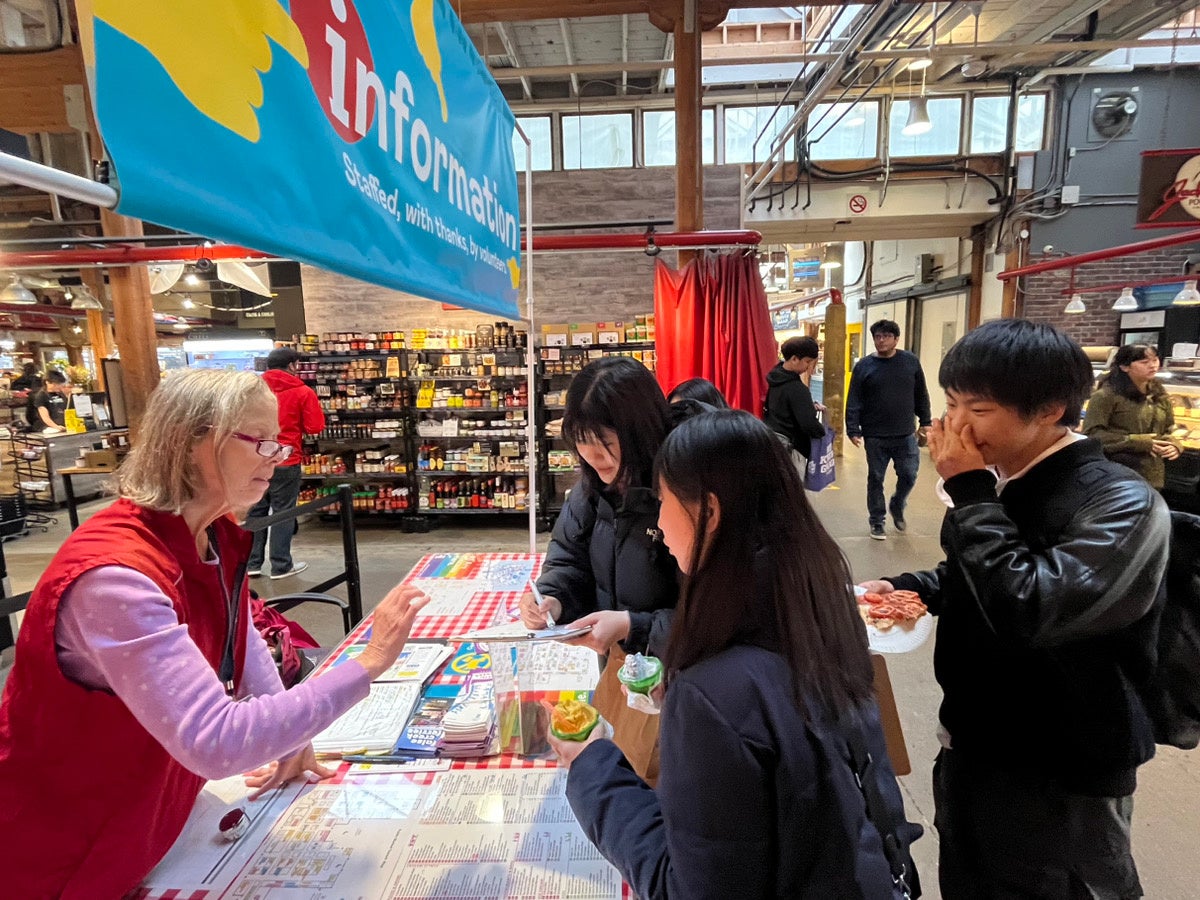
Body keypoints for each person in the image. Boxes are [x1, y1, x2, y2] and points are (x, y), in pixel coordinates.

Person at [0, 369, 430, 898]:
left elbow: (242, 640)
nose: (279, 458)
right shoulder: (115, 576)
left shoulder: (213, 534)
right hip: (71, 839)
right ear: (192, 441)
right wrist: (369, 660)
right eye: (262, 442)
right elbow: (215, 740)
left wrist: (292, 738)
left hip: (157, 810)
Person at [547, 410, 922, 898]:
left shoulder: (713, 694)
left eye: (664, 504)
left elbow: (687, 886)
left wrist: (592, 765)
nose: (658, 524)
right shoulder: (821, 606)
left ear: (708, 511)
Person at [860, 319, 1169, 900]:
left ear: (1051, 409)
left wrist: (973, 492)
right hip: (977, 740)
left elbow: (1032, 607)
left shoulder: (1122, 502)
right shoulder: (1009, 483)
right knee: (973, 879)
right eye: (951, 404)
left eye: (977, 409)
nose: (955, 426)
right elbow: (981, 572)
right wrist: (909, 587)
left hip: (1064, 763)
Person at [519, 355, 678, 658]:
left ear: (640, 432)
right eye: (581, 439)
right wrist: (553, 598)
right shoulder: (589, 491)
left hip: (680, 670)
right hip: (623, 665)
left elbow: (713, 615)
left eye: (603, 440)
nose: (592, 455)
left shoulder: (679, 492)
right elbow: (569, 559)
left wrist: (634, 626)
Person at [846, 319, 932, 540]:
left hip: (905, 433)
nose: (880, 340)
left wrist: (926, 420)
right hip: (875, 435)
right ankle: (877, 521)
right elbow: (854, 398)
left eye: (885, 336)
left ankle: (897, 503)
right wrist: (852, 428)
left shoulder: (910, 362)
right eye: (877, 336)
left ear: (896, 339)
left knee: (909, 474)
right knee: (876, 478)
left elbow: (921, 393)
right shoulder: (864, 366)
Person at [247, 347, 325, 579]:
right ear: (292, 365)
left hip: (253, 458)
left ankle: (251, 563)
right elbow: (315, 427)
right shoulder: (302, 391)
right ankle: (281, 565)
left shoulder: (251, 390)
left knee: (256, 510)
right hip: (285, 458)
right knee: (284, 511)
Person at [1082, 343, 1181, 489]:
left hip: (1153, 477)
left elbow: (1169, 428)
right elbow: (1092, 435)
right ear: (1125, 367)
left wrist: (1174, 445)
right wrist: (1138, 442)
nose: (1152, 366)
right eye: (1144, 362)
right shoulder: (1106, 396)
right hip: (1117, 477)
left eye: (1154, 360)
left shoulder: (1159, 393)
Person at [763, 335, 826, 471]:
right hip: (792, 449)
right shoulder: (797, 389)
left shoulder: (774, 380)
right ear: (794, 359)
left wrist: (809, 406)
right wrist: (823, 432)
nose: (809, 367)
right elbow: (808, 424)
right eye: (807, 361)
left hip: (772, 444)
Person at [30, 366, 72, 432]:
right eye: (56, 384)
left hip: (64, 425)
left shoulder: (60, 394)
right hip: (49, 427)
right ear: (47, 382)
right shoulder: (41, 396)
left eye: (60, 384)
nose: (59, 386)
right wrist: (56, 427)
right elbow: (45, 417)